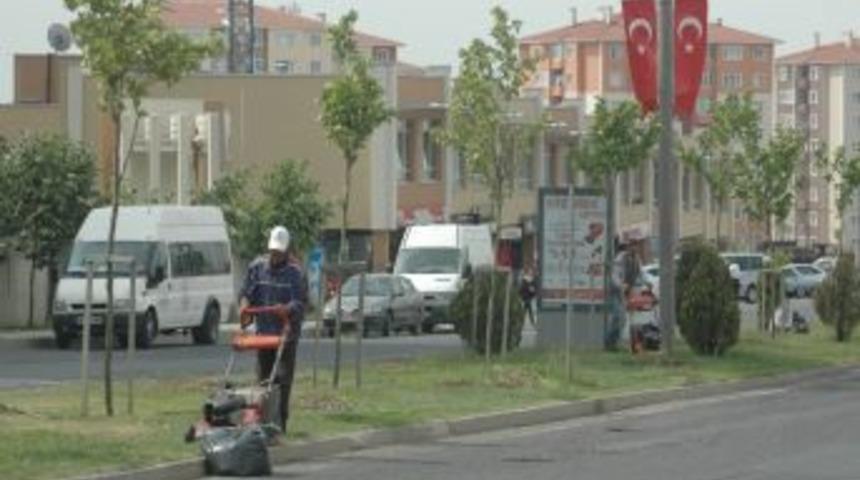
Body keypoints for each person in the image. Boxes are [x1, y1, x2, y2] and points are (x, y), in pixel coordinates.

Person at [238, 226, 306, 434]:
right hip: (263, 335)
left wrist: (286, 309)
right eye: (273, 252)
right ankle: (260, 422)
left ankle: (279, 424)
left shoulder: (295, 272)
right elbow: (246, 292)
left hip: (285, 336)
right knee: (262, 380)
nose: (275, 256)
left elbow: (300, 303)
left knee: (282, 381)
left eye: (279, 252)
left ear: (286, 251)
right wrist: (244, 305)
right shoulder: (257, 268)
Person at [606, 235, 642, 351]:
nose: (634, 247)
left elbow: (639, 273)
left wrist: (646, 283)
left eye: (636, 245)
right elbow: (615, 275)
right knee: (619, 316)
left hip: (627, 291)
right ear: (628, 246)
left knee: (627, 318)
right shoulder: (621, 258)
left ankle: (622, 343)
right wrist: (620, 285)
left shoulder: (636, 259)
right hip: (615, 291)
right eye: (632, 245)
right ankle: (609, 343)